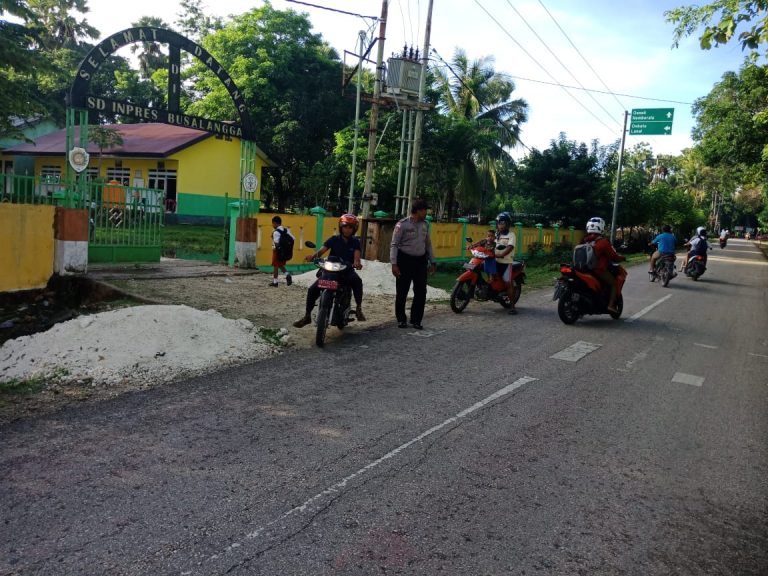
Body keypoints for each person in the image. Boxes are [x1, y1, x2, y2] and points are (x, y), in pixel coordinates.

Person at [293, 214, 364, 327]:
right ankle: (307, 316)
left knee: (357, 281)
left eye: (350, 227)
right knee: (312, 289)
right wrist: (313, 256)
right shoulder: (334, 239)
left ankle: (359, 308)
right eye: (345, 226)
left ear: (354, 229)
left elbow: (356, 255)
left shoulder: (355, 242)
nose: (347, 229)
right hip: (331, 270)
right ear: (341, 227)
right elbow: (321, 251)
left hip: (346, 270)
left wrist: (356, 262)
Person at [390, 198, 436, 329]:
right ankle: (401, 319)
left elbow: (428, 244)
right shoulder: (402, 224)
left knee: (421, 291)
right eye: (425, 210)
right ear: (418, 210)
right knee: (402, 291)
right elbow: (394, 245)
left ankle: (416, 320)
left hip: (420, 261)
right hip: (404, 260)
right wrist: (394, 264)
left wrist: (433, 261)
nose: (426, 213)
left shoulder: (425, 225)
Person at [582, 216, 626, 314]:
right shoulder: (603, 242)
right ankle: (610, 305)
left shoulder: (584, 239)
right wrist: (622, 258)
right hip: (597, 270)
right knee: (614, 283)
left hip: (583, 269)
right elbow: (613, 256)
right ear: (601, 227)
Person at [494, 212, 518, 315]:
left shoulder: (511, 235)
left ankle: (512, 306)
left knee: (508, 283)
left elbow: (510, 247)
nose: (500, 225)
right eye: (499, 223)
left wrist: (501, 254)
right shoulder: (496, 234)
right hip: (495, 261)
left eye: (502, 223)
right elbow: (488, 242)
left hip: (506, 262)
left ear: (508, 224)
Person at [270, 216, 293, 287]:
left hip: (277, 251)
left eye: (272, 223)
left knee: (275, 265)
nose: (272, 225)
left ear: (275, 223)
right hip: (285, 251)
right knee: (280, 264)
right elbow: (292, 238)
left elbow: (276, 243)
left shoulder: (276, 232)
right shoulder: (286, 230)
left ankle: (275, 282)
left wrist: (273, 238)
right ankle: (287, 275)